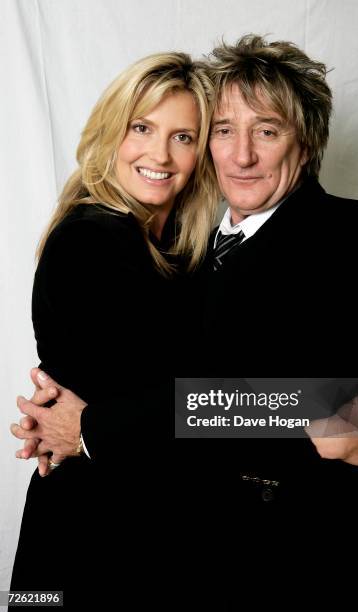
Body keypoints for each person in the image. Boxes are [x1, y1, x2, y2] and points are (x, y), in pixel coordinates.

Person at [12, 35, 358, 610]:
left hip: (321, 565)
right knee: (40, 603)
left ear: (305, 146)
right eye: (223, 131)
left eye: (267, 130)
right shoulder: (120, 242)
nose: (241, 155)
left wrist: (94, 428)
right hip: (102, 546)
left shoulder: (348, 233)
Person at [8, 51, 218, 610]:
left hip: (129, 522)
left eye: (183, 137)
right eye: (142, 128)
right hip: (88, 534)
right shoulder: (92, 239)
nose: (159, 154)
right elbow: (185, 390)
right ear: (111, 132)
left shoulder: (178, 250)